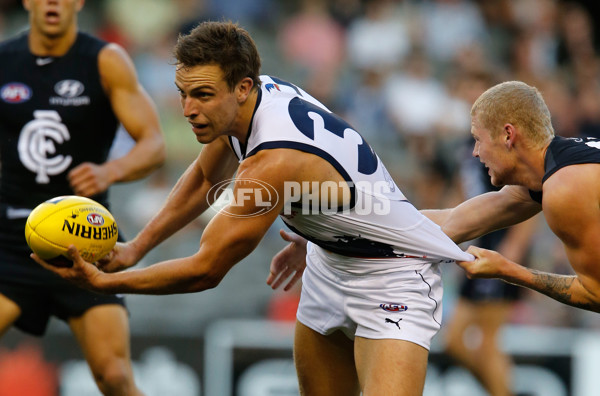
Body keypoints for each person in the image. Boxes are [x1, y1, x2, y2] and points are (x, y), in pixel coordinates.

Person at [33, 20, 474, 396]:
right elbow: (205, 177)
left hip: (391, 276)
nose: (188, 109)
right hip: (328, 260)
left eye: (202, 95)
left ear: (241, 87)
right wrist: (136, 248)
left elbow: (206, 269)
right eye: (182, 93)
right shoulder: (251, 99)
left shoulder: (273, 160)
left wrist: (110, 283)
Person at [0, 0, 166, 395]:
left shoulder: (105, 60)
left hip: (86, 237)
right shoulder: (4, 60)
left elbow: (154, 144)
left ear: (79, 2)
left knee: (115, 376)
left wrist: (110, 171)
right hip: (9, 240)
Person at [443, 156, 539, 396]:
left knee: (487, 343)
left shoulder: (500, 143)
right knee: (454, 341)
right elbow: (461, 190)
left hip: (498, 249)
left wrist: (515, 247)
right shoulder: (470, 145)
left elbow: (530, 192)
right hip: (475, 249)